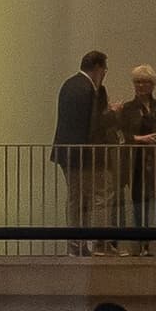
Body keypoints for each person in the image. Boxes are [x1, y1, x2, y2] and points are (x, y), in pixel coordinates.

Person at [114, 64, 156, 234]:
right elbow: (121, 134)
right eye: (137, 82)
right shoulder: (128, 108)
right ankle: (143, 243)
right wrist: (139, 139)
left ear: (152, 84)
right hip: (137, 161)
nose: (141, 86)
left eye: (145, 82)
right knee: (140, 203)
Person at [53, 49, 112, 247]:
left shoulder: (69, 85)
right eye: (104, 70)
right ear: (97, 68)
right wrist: (112, 114)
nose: (104, 74)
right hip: (86, 156)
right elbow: (94, 125)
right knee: (100, 196)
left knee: (75, 199)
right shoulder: (90, 90)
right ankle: (99, 243)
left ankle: (75, 243)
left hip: (66, 153)